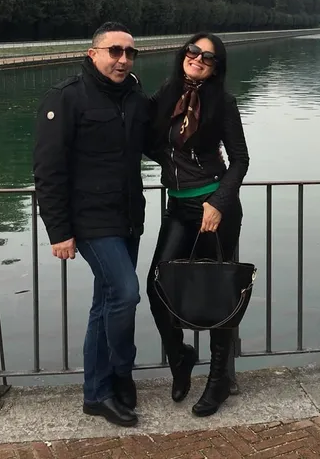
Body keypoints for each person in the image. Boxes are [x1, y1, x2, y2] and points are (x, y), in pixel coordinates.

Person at [32, 22, 150, 428]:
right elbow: (48, 170)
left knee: (105, 304)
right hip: (90, 221)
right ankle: (118, 372)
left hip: (129, 217)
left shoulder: (134, 97)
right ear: (92, 54)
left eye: (129, 53)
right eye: (114, 51)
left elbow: (156, 143)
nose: (122, 59)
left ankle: (96, 393)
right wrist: (58, 230)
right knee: (126, 293)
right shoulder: (66, 98)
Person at [146, 32, 250, 417]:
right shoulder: (166, 93)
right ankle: (181, 356)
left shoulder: (223, 102)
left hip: (214, 210)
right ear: (183, 54)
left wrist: (218, 202)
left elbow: (240, 159)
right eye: (194, 51)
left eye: (208, 57)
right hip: (178, 207)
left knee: (218, 293)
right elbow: (145, 132)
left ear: (216, 67)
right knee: (157, 285)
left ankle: (219, 378)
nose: (198, 58)